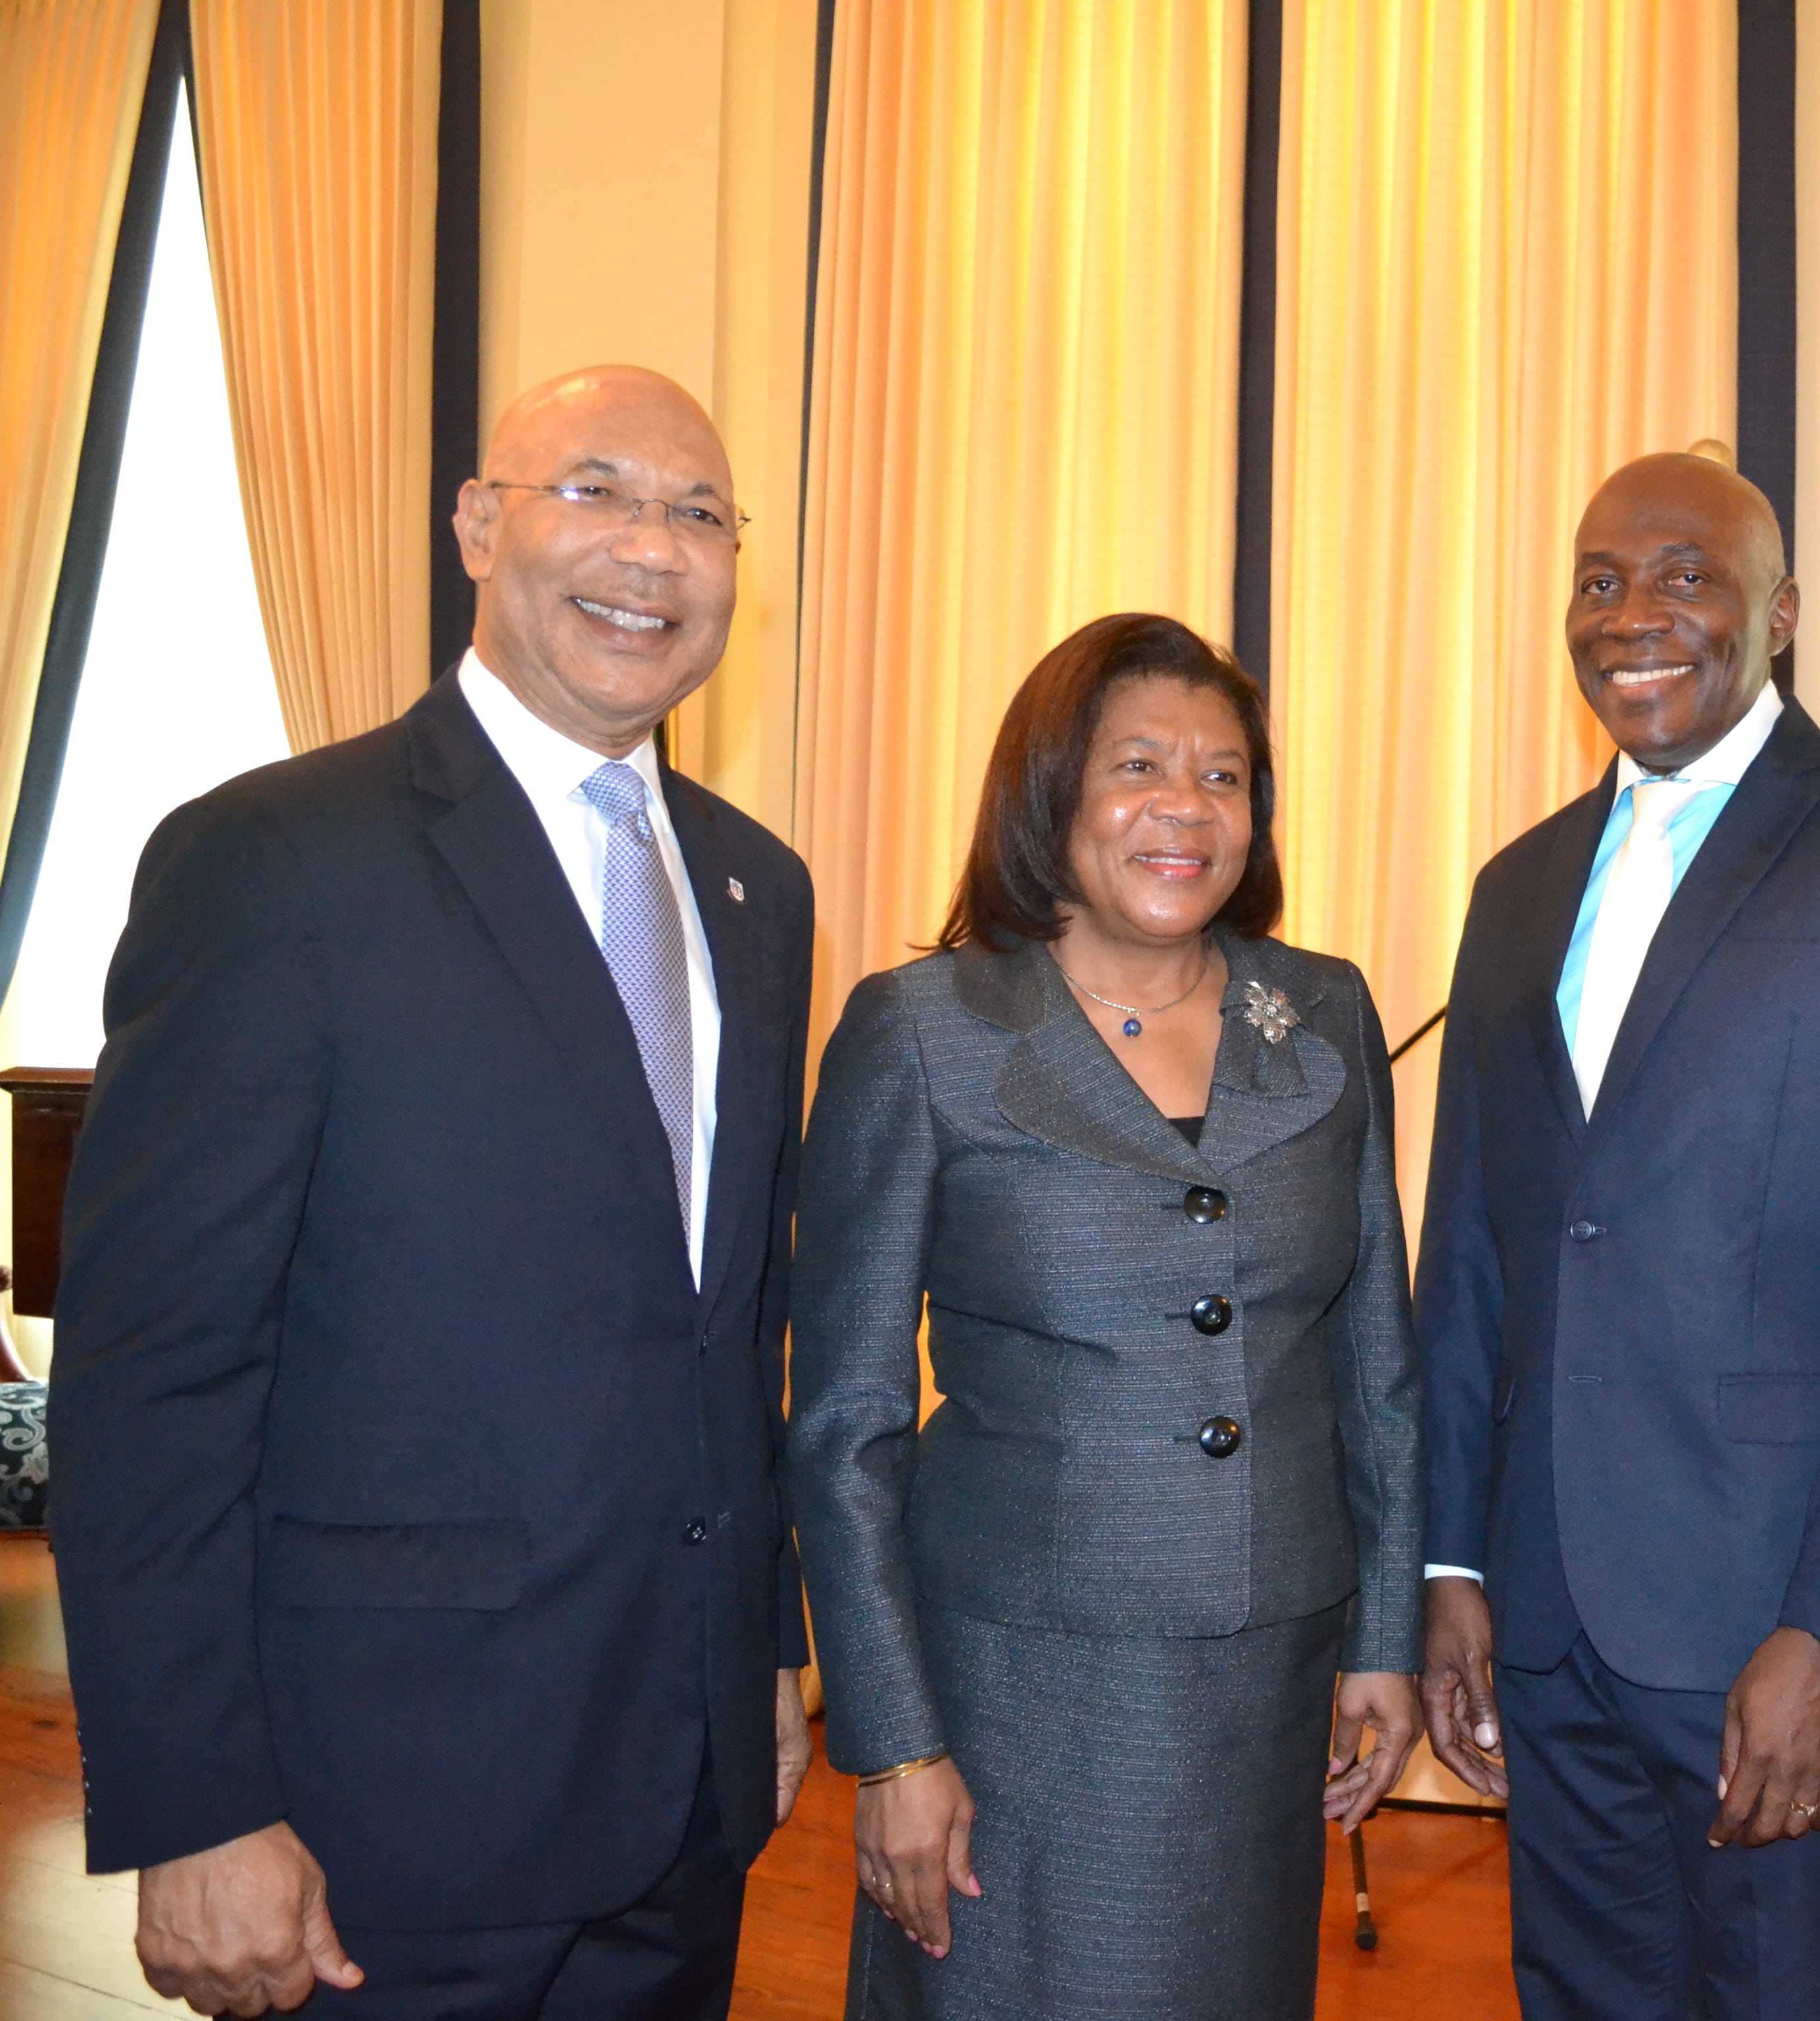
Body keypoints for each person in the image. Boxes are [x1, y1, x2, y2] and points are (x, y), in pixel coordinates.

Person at [51, 364, 817, 2018]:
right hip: (378, 1817)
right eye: (595, 490)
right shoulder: (274, 861)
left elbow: (737, 1317)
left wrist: (766, 1643)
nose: (652, 548)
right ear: (478, 525)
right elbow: (155, 1372)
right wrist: (195, 1801)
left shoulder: (760, 886)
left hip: (682, 1799)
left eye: (700, 513)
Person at [1415, 451, 1820, 2019]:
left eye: (1687, 574)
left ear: (1782, 613)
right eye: (1602, 581)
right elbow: (1473, 1256)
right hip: (1547, 1612)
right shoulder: (1514, 888)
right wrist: (1451, 1558)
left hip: (1776, 1619)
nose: (1637, 614)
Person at [788, 612, 1423, 2020]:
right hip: (1016, 1694)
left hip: (1269, 1682)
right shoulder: (927, 1030)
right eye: (1139, 765)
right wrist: (891, 1747)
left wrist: (1385, 1638)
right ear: (1052, 789)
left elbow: (1377, 1360)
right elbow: (843, 1428)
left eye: (1225, 776)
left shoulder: (1318, 1013)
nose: (1185, 810)